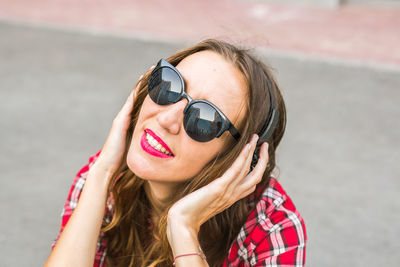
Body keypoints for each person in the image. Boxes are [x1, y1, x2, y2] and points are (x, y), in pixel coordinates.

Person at [45, 39, 307, 267]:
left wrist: (183, 228)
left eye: (204, 119)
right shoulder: (104, 179)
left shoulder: (271, 226)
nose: (167, 119)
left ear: (238, 157)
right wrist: (101, 173)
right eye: (167, 85)